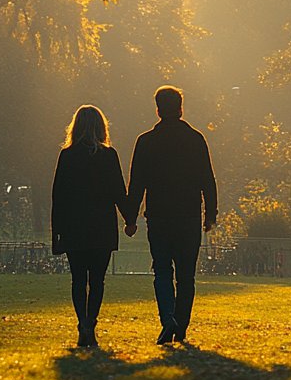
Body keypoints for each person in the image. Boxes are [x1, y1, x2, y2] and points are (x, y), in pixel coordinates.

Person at [126, 86, 217, 345]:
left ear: (157, 109)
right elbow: (207, 180)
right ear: (180, 108)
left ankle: (168, 318)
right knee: (186, 275)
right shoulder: (195, 139)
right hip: (188, 216)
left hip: (159, 217)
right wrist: (210, 214)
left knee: (162, 271)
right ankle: (181, 324)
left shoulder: (146, 142)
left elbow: (137, 183)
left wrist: (131, 218)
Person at [51, 105, 132, 348]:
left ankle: (82, 323)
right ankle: (90, 323)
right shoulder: (108, 155)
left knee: (78, 279)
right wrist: (129, 218)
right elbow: (119, 191)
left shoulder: (67, 156)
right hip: (101, 227)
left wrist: (57, 231)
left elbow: (59, 196)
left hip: (74, 227)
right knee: (97, 280)